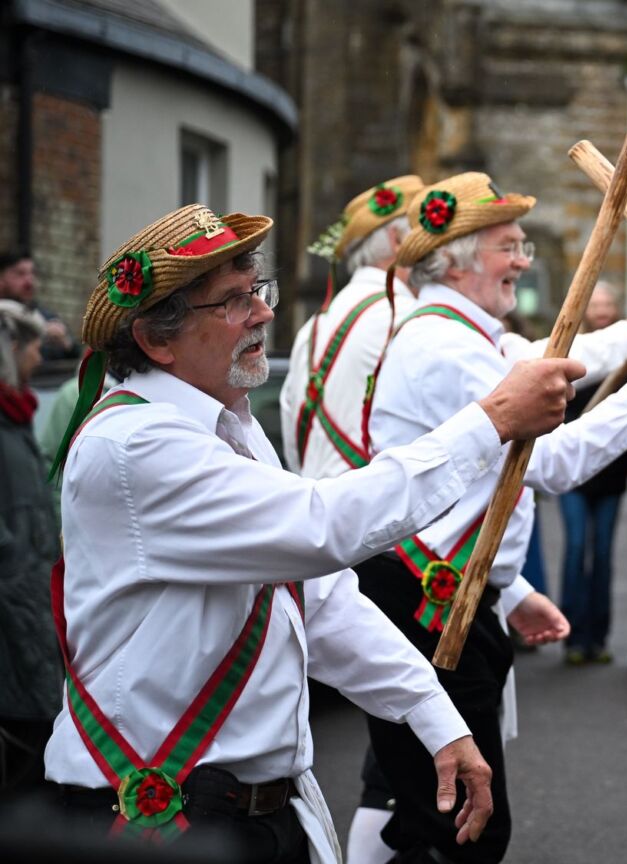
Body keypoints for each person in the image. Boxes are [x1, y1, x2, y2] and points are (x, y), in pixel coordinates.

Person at [46, 203, 585, 862]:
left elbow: (322, 598)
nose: (265, 314)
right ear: (159, 340)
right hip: (154, 818)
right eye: (233, 302)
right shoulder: (134, 444)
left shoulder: (230, 425)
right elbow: (325, 527)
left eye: (258, 291)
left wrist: (438, 722)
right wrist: (494, 418)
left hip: (252, 811)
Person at [361, 173, 627, 862]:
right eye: (509, 246)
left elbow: (550, 362)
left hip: (451, 591)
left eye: (523, 243)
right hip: (427, 600)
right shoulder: (444, 346)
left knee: (434, 819)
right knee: (460, 829)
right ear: (460, 257)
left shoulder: (472, 335)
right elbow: (547, 463)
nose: (524, 261)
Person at [281, 176, 627, 477]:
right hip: (398, 544)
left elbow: (292, 429)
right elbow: (549, 456)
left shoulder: (314, 327)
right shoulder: (410, 320)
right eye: (509, 248)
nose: (522, 261)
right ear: (400, 239)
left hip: (342, 534)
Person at [0, 300, 60, 799]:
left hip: (32, 606)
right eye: (34, 345)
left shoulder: (16, 419)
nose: (40, 356)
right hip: (12, 614)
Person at [559, 283, 627, 666]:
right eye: (597, 304)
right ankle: (572, 637)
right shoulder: (572, 350)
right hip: (572, 468)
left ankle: (599, 637)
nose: (603, 310)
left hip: (610, 470)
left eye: (608, 303)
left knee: (603, 553)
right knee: (575, 549)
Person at [0, 250, 78, 360]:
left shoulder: (46, 316)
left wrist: (66, 342)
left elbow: (74, 354)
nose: (29, 281)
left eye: (32, 273)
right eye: (20, 274)